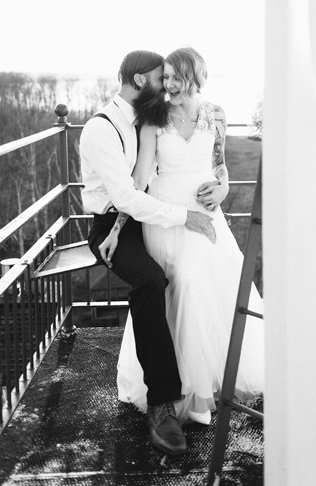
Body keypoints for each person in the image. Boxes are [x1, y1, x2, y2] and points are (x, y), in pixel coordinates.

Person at [99, 46, 264, 426]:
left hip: (207, 215)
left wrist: (222, 190)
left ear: (194, 78)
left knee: (217, 283)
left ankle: (209, 383)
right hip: (167, 218)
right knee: (185, 283)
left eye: (175, 77)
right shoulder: (153, 118)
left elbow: (220, 167)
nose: (168, 84)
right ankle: (188, 392)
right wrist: (117, 229)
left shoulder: (216, 116)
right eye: (165, 77)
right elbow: (139, 181)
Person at [79, 49, 216, 456]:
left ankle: (200, 372)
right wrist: (182, 217)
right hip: (112, 226)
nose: (167, 87)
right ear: (141, 81)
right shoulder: (101, 129)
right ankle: (161, 404)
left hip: (144, 219)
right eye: (161, 79)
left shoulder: (147, 118)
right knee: (150, 279)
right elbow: (125, 195)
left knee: (183, 276)